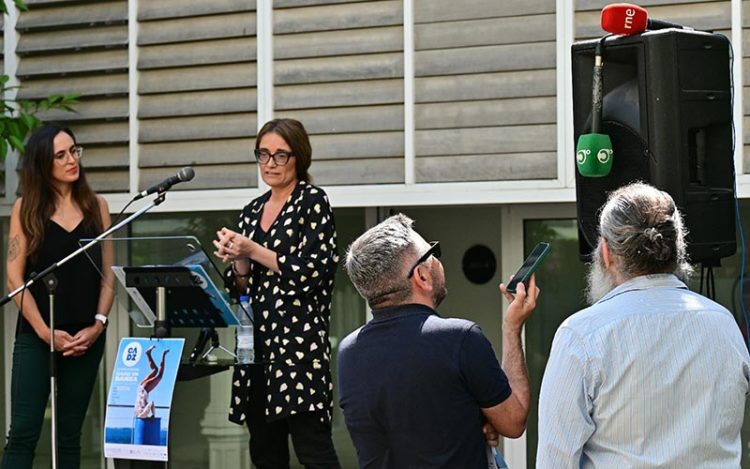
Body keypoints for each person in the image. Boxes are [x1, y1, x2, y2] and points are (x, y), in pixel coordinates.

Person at [537, 182, 750, 467]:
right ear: (678, 249)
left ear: (606, 253)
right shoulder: (724, 324)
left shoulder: (581, 335)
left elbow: (555, 460)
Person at [339, 213, 538, 468]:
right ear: (421, 276)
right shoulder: (460, 338)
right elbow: (513, 420)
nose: (438, 262)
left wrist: (475, 415)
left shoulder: (349, 353)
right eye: (433, 253)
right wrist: (513, 329)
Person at [213, 118, 341, 468]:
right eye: (263, 154)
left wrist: (252, 250)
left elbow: (314, 271)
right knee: (265, 453)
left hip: (299, 349)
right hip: (256, 349)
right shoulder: (251, 211)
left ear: (299, 158)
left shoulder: (311, 201)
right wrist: (239, 261)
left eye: (280, 155)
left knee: (313, 450)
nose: (270, 163)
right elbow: (241, 289)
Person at [3, 124, 114, 468]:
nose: (72, 160)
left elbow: (107, 276)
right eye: (61, 155)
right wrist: (43, 332)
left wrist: (98, 325)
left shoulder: (97, 207)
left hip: (85, 338)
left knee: (69, 435)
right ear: (42, 163)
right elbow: (13, 278)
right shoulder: (27, 208)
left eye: (74, 151)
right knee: (23, 432)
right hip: (38, 336)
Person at [134, 345, 170, 419]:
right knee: (155, 370)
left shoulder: (142, 414)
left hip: (144, 389)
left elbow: (151, 403)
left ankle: (163, 355)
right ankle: (148, 354)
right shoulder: (138, 412)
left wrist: (153, 415)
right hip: (140, 388)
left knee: (159, 376)